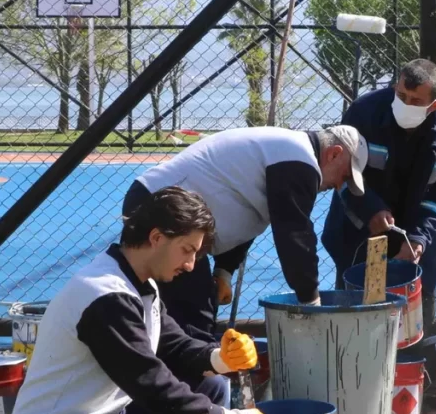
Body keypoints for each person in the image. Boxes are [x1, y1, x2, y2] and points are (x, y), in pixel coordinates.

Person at [10, 186, 267, 414]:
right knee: (194, 402)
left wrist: (220, 358)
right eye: (187, 250)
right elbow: (152, 385)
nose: (191, 265)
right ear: (156, 237)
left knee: (211, 385)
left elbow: (173, 344)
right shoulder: (106, 296)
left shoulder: (139, 282)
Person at [124, 125, 369, 343]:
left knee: (175, 313)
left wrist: (224, 271)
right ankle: (188, 387)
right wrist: (311, 302)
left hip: (160, 204)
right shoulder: (299, 160)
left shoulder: (286, 152)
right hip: (161, 208)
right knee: (191, 318)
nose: (339, 185)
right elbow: (295, 236)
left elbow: (246, 214)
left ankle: (174, 380)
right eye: (344, 175)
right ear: (334, 153)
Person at [321, 59, 436, 334]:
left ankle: (407, 367)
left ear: (433, 105)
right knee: (357, 313)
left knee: (408, 318)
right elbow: (338, 170)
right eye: (401, 95)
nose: (405, 103)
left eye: (415, 100)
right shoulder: (363, 113)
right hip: (358, 229)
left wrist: (418, 238)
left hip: (413, 235)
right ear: (393, 88)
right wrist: (370, 209)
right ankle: (355, 370)